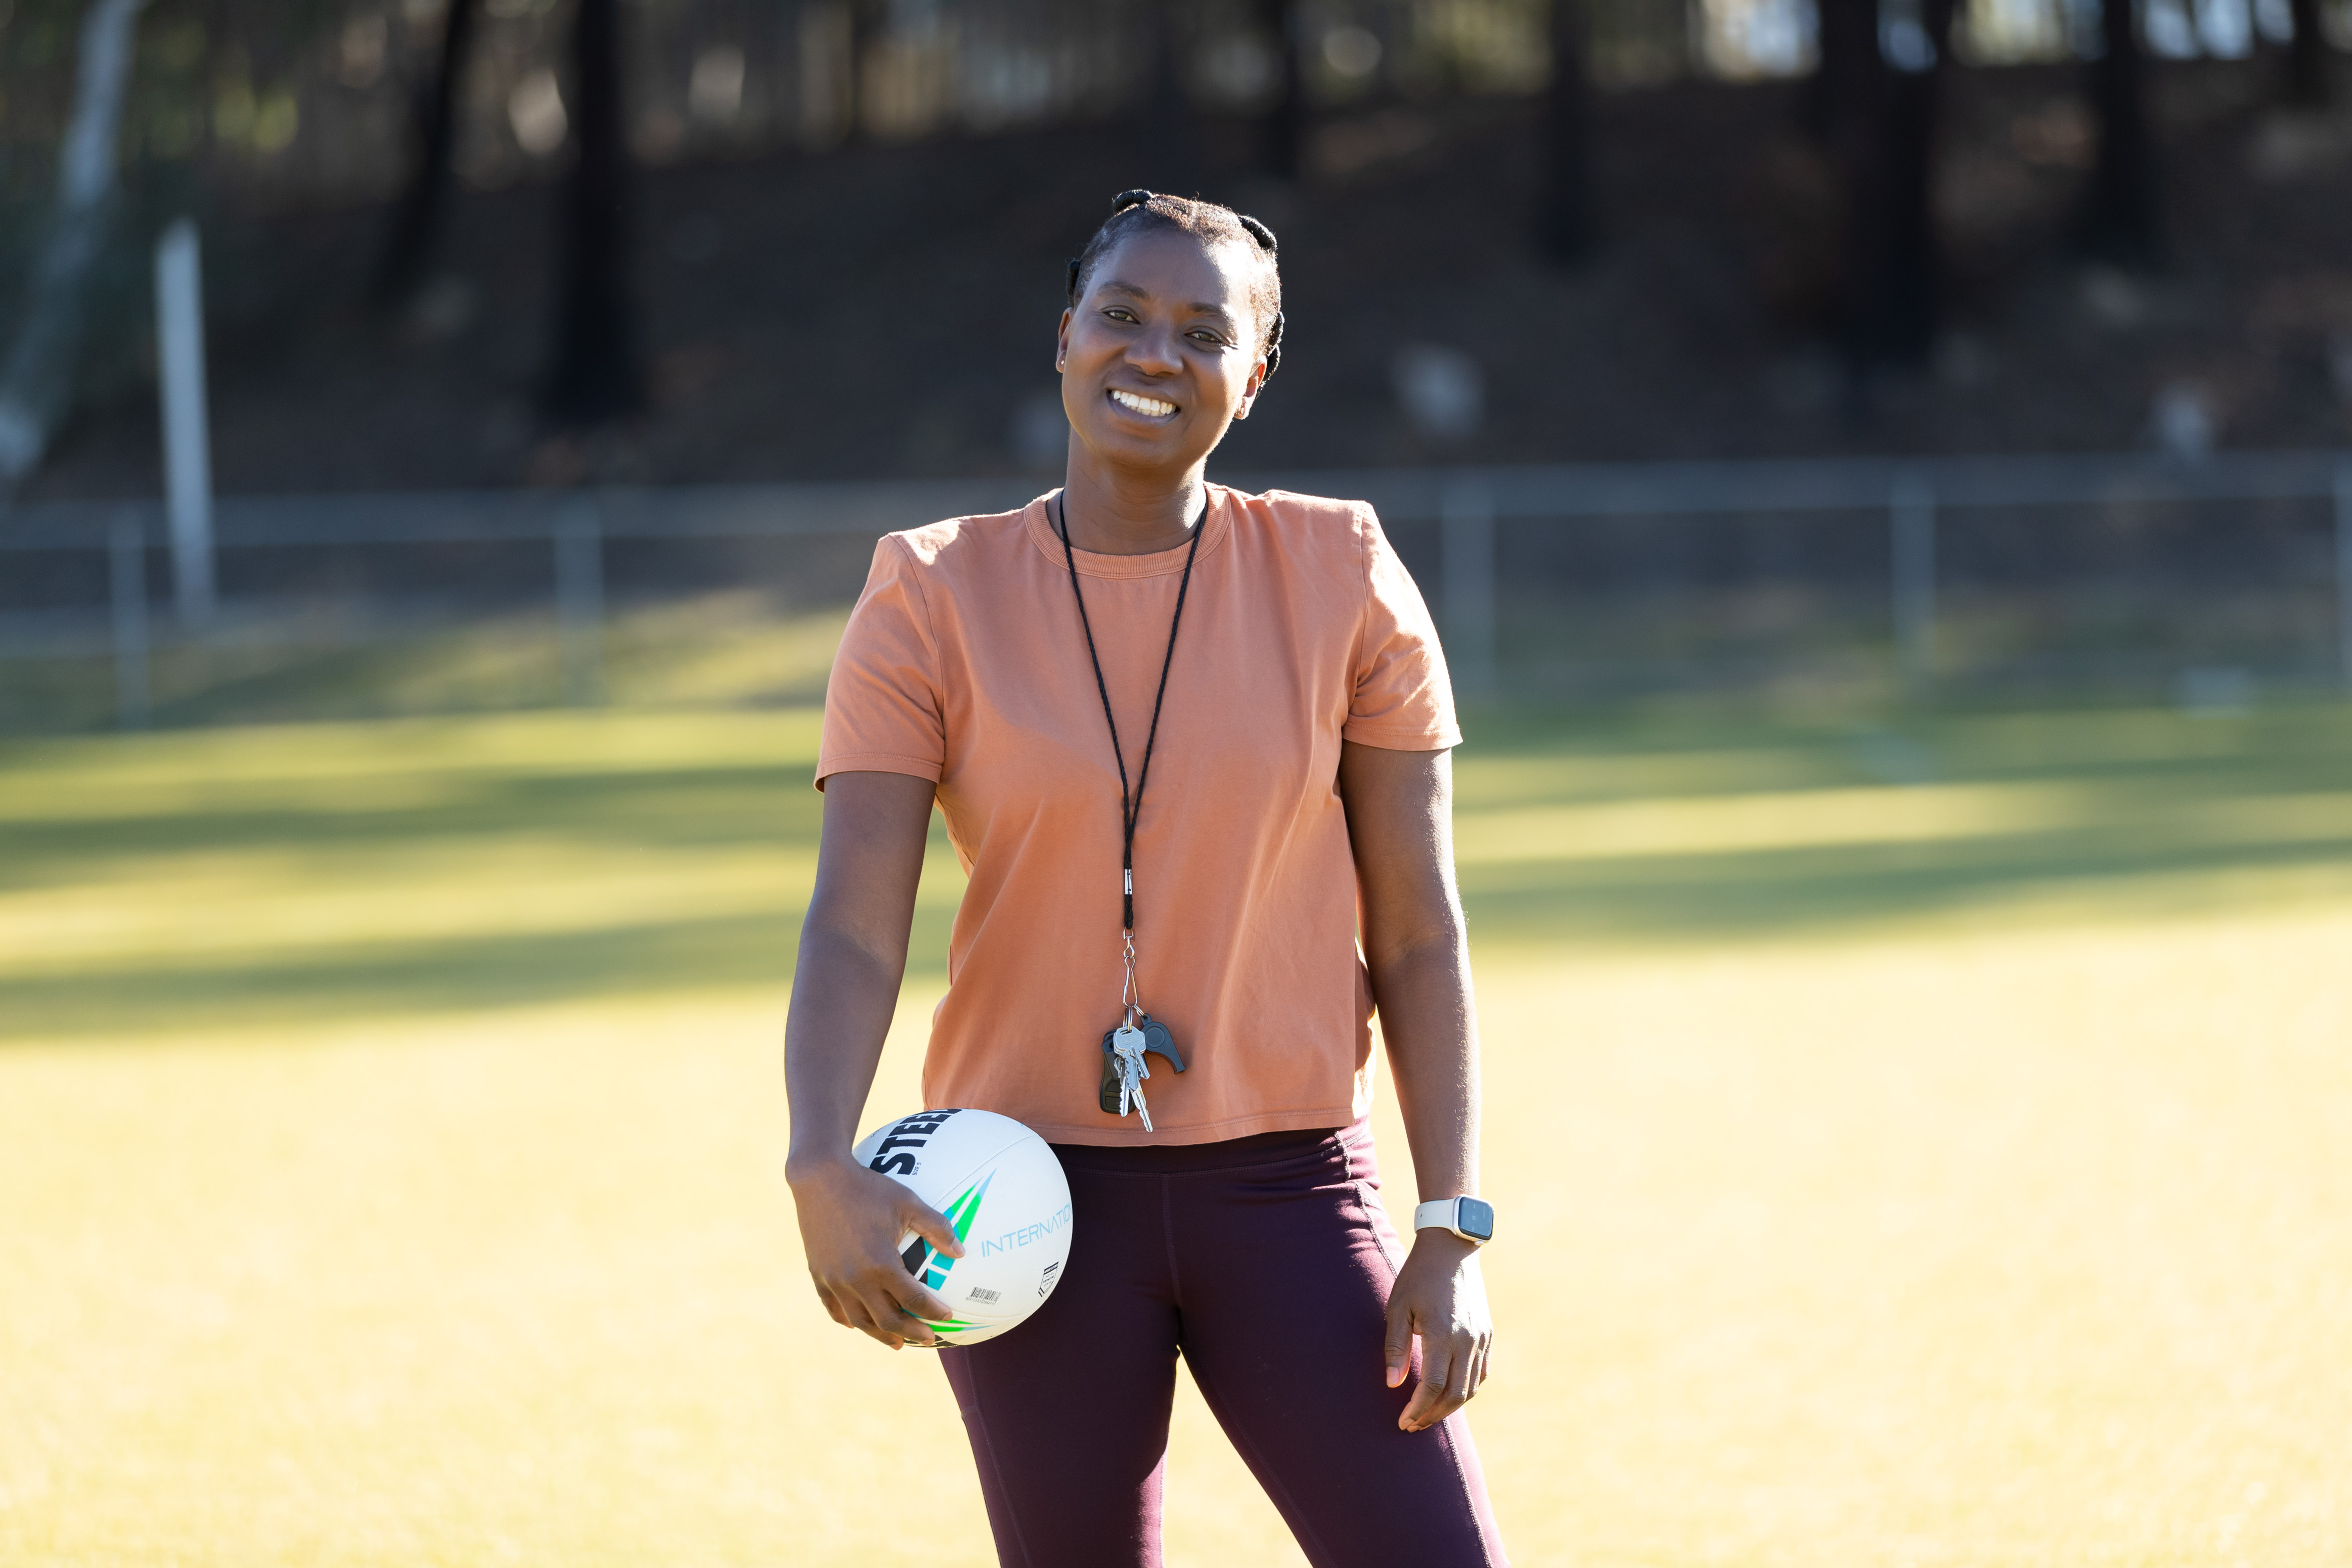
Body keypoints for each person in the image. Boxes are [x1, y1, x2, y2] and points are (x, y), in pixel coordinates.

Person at [784, 190, 1507, 1568]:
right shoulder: (927, 591)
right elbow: (855, 924)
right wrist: (819, 1157)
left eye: (1203, 331)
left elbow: (1420, 932)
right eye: (1120, 314)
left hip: (1291, 1187)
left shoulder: (1341, 568)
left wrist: (1450, 1229)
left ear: (1257, 372)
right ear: (1065, 335)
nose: (1153, 354)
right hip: (1016, 1191)